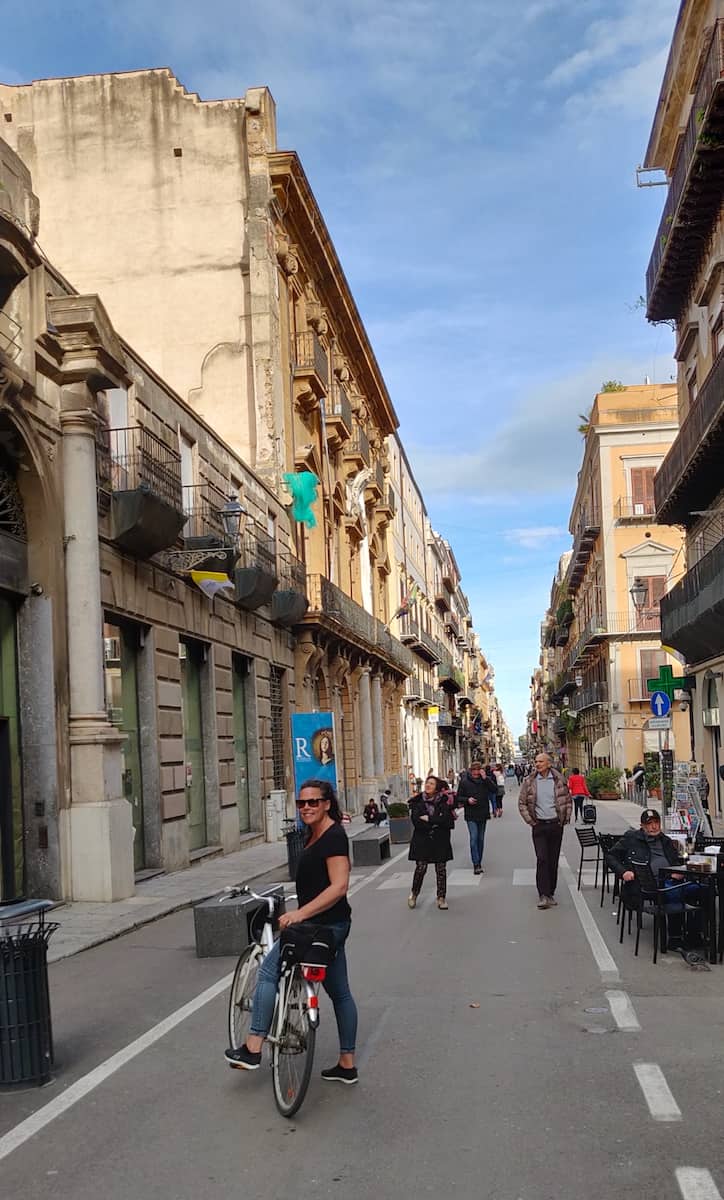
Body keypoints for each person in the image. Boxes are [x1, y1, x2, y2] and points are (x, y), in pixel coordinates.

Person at [224, 779, 358, 1084]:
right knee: (339, 992)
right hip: (330, 927)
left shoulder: (333, 837)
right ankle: (347, 1064)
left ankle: (253, 1046)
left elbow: (339, 886)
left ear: (327, 803)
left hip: (316, 926)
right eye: (302, 803)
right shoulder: (316, 834)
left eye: (313, 802)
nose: (307, 808)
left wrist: (299, 913)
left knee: (269, 973)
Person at [608, 808, 705, 953]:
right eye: (650, 823)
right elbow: (610, 856)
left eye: (656, 823)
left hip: (672, 880)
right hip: (648, 885)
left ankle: (695, 934)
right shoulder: (632, 838)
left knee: (704, 890)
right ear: (642, 825)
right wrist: (624, 872)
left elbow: (677, 860)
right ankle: (675, 938)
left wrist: (678, 871)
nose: (654, 826)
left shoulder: (665, 841)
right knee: (674, 893)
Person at [518, 752, 572, 909]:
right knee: (542, 859)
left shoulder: (559, 780)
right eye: (536, 761)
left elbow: (567, 800)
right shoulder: (529, 781)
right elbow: (522, 803)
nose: (537, 764)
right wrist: (531, 821)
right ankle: (543, 895)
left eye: (541, 761)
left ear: (549, 763)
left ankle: (550, 893)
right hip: (539, 825)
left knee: (553, 860)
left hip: (556, 825)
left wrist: (565, 818)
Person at [407, 775, 456, 910]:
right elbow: (416, 821)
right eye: (427, 783)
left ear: (437, 788)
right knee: (421, 868)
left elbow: (447, 821)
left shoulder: (443, 802)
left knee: (441, 869)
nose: (428, 785)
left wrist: (429, 819)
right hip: (422, 839)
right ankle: (414, 894)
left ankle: (441, 897)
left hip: (440, 840)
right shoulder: (417, 802)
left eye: (432, 784)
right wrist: (435, 821)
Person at [456, 760, 491, 874]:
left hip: (483, 813)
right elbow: (458, 797)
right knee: (473, 838)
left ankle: (479, 861)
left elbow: (494, 789)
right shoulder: (464, 782)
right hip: (471, 815)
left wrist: (486, 778)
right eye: (474, 770)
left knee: (480, 839)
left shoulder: (485, 781)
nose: (476, 773)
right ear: (470, 771)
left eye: (478, 770)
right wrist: (467, 800)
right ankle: (476, 863)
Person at [696, 766, 714, 836]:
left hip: (703, 800)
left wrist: (704, 796)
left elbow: (707, 787)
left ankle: (708, 832)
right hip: (703, 799)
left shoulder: (702, 775)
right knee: (705, 815)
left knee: (705, 815)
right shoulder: (703, 775)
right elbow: (708, 787)